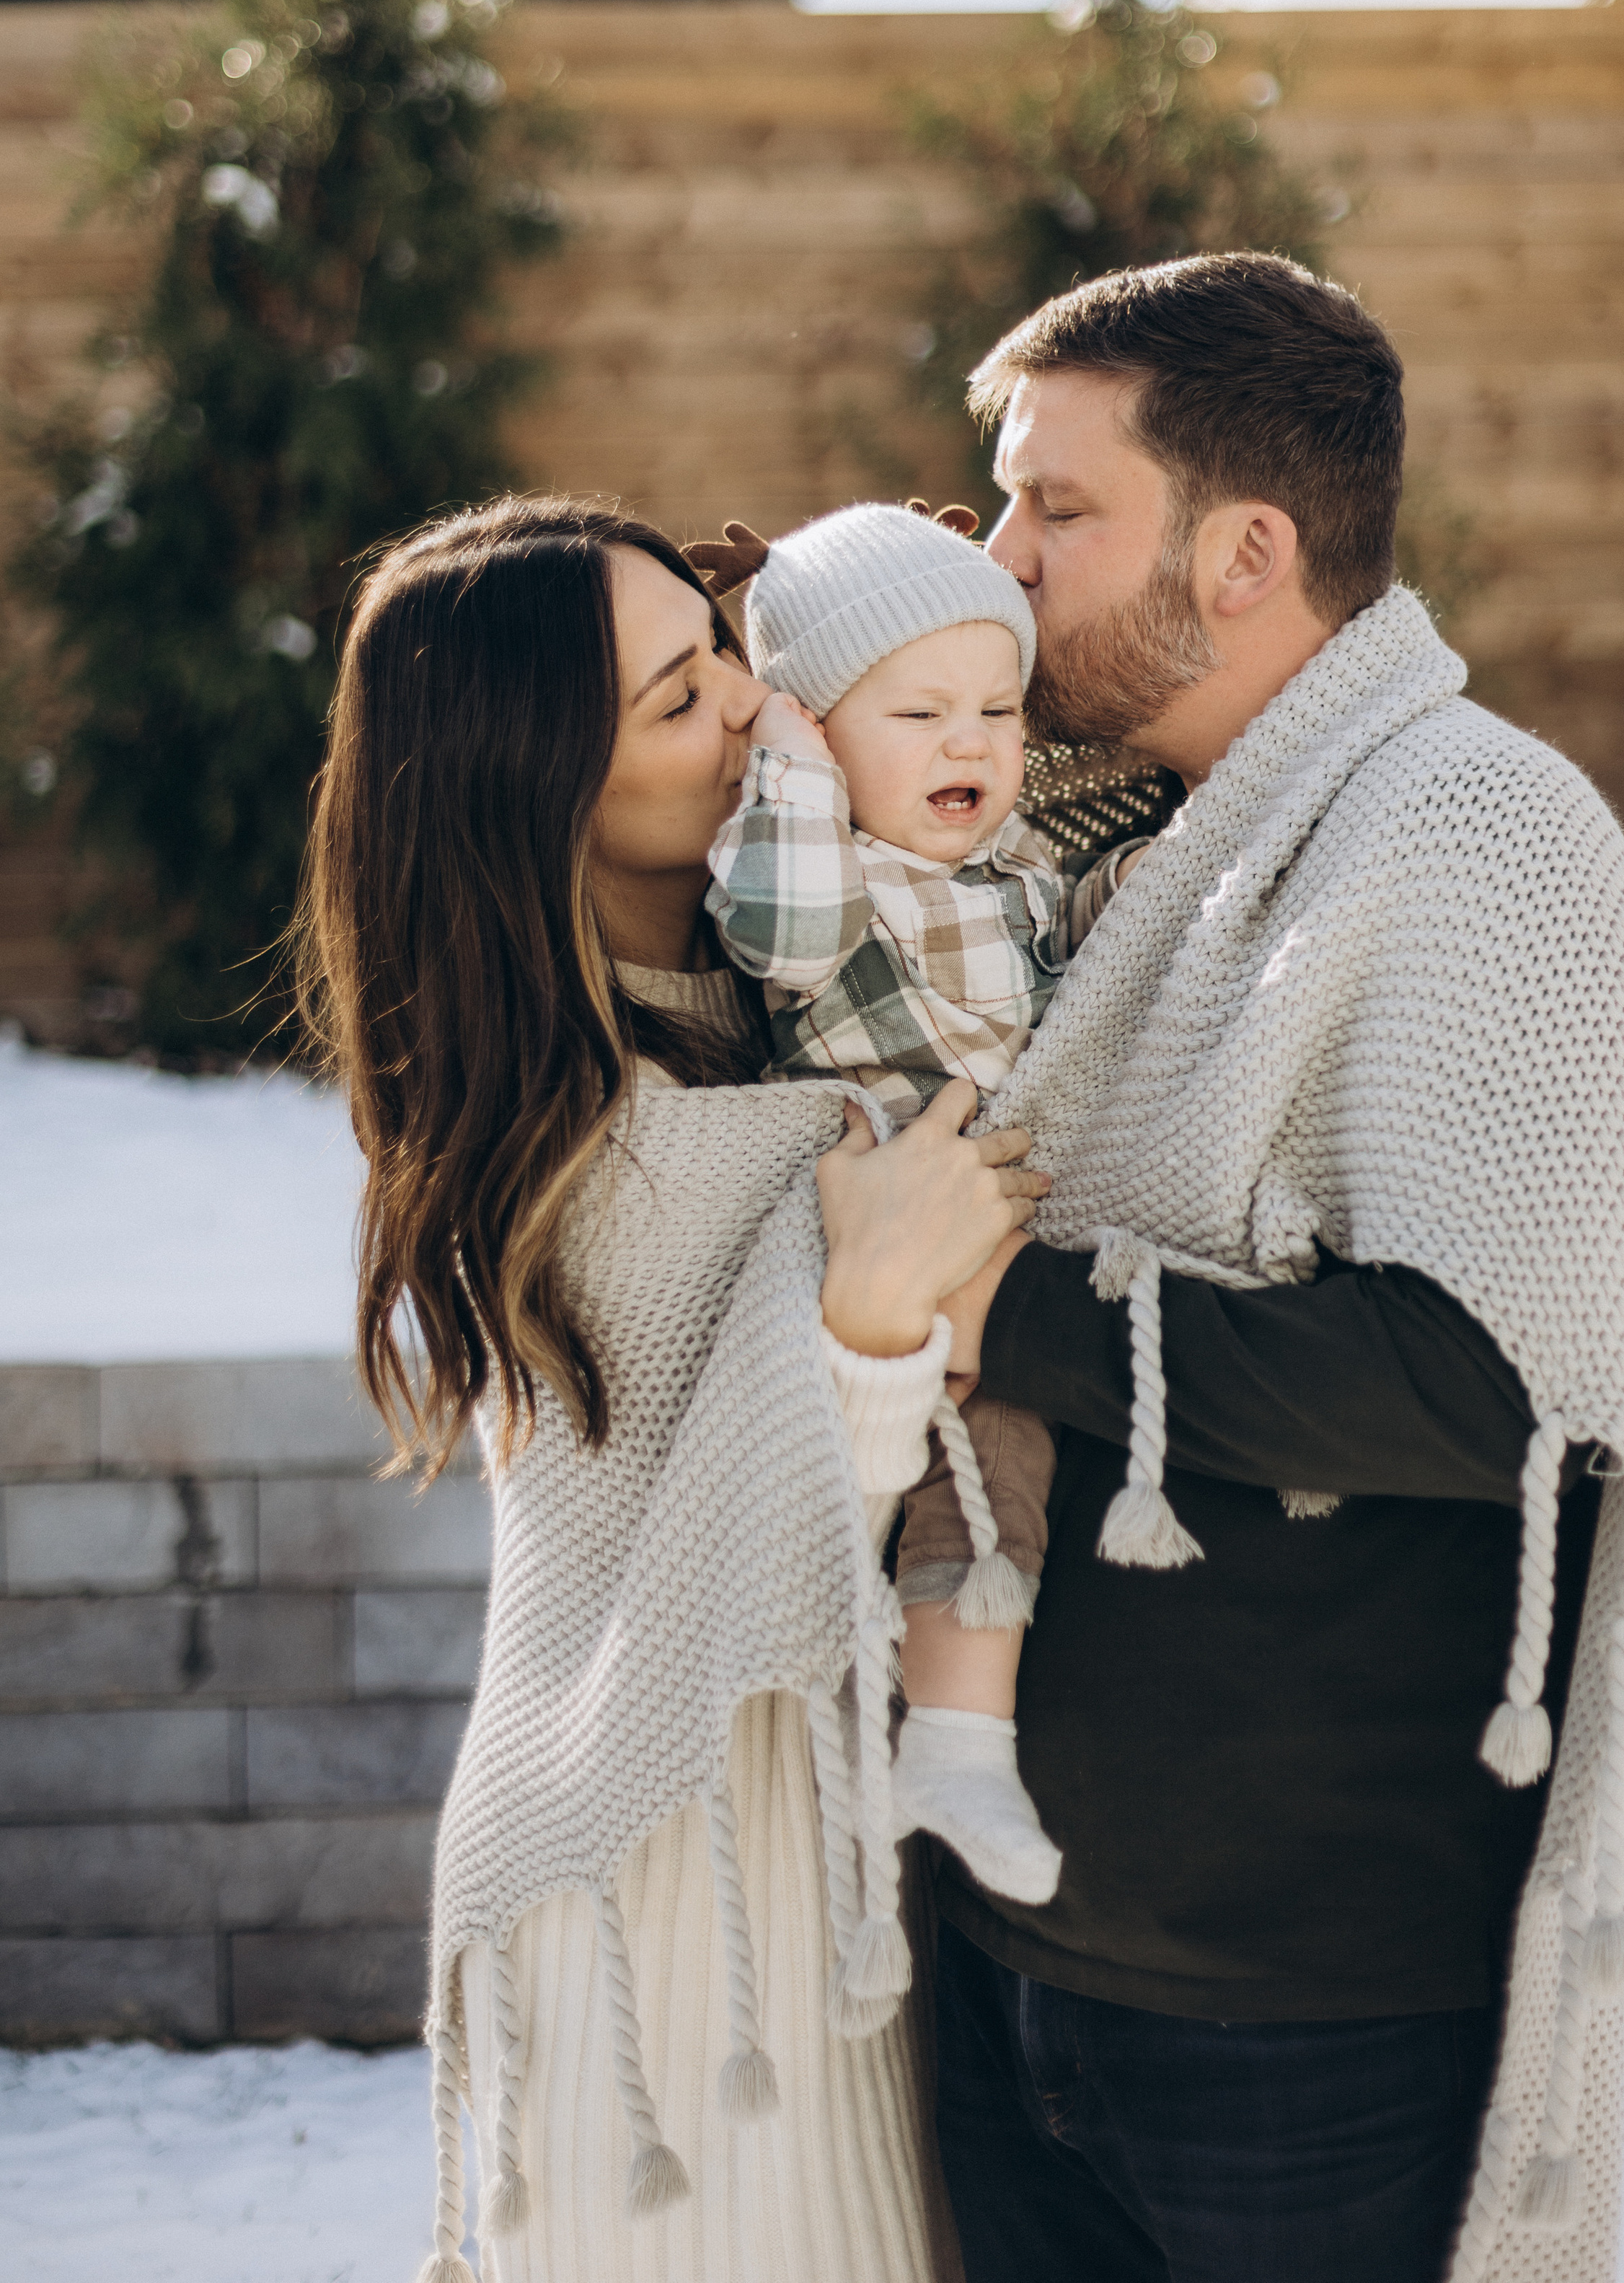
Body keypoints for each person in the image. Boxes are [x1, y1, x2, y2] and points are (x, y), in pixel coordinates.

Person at [916, 254, 1624, 2283]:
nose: (1000, 560)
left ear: (1246, 552)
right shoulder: (1081, 850)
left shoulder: (1479, 828)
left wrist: (990, 1300)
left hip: (1306, 2015)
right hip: (1001, 1949)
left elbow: (1495, 1389)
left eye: (1054, 510)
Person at [293, 494, 1049, 2283]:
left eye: (721, 646)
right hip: (665, 1896)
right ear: (542, 785)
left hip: (832, 1856)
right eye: (678, 700)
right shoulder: (566, 1145)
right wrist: (866, 1318)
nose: (749, 705)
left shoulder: (793, 983)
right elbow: (711, 1540)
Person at [699, 498, 1141, 1910]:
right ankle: (954, 1739)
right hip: (896, 1233)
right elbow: (777, 936)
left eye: (998, 711)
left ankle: (959, 1740)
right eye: (920, 713)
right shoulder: (821, 876)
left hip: (1006, 1235)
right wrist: (787, 772)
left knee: (1013, 1472)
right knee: (983, 1478)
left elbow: (1058, 984)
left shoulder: (1004, 867)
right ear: (819, 731)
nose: (971, 743)